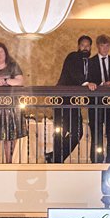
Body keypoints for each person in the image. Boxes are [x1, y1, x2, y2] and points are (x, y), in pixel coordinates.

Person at [46, 35, 91, 164]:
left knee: (77, 132)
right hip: (62, 98)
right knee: (61, 131)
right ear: (78, 46)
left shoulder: (89, 61)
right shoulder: (73, 57)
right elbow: (75, 75)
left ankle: (54, 157)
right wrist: (86, 83)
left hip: (73, 100)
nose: (85, 48)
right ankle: (55, 160)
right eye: (83, 45)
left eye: (87, 46)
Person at [82, 34, 110, 162]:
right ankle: (96, 159)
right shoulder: (90, 62)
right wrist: (101, 84)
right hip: (96, 103)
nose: (105, 48)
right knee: (96, 132)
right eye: (102, 45)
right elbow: (87, 80)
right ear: (98, 46)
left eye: (107, 46)